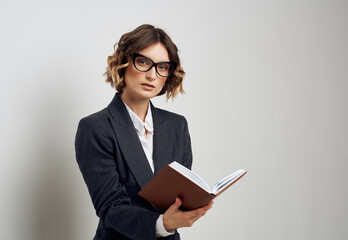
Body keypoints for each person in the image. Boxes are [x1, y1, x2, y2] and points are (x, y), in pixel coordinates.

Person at [75, 24, 213, 240]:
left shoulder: (177, 126)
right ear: (123, 62)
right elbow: (110, 207)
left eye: (162, 67)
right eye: (143, 62)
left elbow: (179, 194)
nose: (152, 75)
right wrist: (163, 224)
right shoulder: (95, 128)